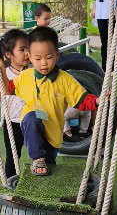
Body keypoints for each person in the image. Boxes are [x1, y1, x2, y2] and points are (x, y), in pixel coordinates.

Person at [15, 25, 98, 176]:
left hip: (53, 132)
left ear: (57, 55)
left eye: (48, 57)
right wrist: (0, 70)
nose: (43, 63)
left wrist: (98, 101)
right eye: (38, 58)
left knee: (49, 167)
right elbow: (8, 88)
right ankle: (38, 159)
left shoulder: (65, 80)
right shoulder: (25, 77)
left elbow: (82, 100)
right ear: (29, 57)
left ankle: (44, 164)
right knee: (31, 117)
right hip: (34, 124)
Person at [0, 27, 30, 182]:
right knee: (12, 156)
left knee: (39, 152)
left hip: (33, 119)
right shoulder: (4, 74)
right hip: (13, 122)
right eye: (22, 49)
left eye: (28, 48)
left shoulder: (34, 71)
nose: (27, 53)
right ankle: (10, 182)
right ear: (9, 55)